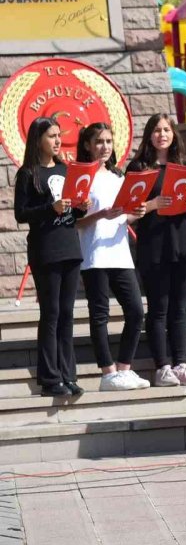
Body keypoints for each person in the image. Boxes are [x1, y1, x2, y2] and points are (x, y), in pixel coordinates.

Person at [14, 117, 90, 397]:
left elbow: (73, 211)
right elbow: (21, 214)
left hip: (70, 247)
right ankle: (49, 377)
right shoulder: (28, 173)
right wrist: (50, 207)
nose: (57, 140)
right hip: (45, 250)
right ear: (38, 140)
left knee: (68, 314)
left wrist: (82, 207)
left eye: (59, 135)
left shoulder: (65, 169)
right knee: (51, 313)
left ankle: (68, 374)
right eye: (51, 135)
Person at [127, 114, 186, 387]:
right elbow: (128, 212)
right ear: (149, 135)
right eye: (157, 130)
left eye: (167, 129)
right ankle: (162, 366)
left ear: (174, 134)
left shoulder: (181, 165)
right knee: (159, 309)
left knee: (179, 309)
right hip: (154, 246)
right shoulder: (139, 167)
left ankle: (181, 363)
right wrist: (153, 204)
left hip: (181, 245)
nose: (162, 134)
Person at [76, 123, 149, 391]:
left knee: (135, 311)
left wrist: (136, 212)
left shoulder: (119, 177)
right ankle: (107, 373)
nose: (104, 146)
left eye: (108, 141)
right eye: (98, 141)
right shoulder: (82, 177)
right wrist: (99, 214)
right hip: (94, 255)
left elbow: (123, 215)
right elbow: (75, 222)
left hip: (120, 254)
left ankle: (124, 369)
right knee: (100, 315)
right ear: (87, 145)